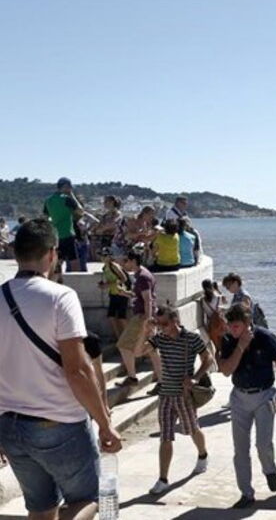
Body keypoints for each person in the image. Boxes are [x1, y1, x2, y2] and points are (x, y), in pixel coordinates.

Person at [0, 219, 122, 520]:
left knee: (41, 510)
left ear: (16, 253)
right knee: (92, 498)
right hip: (59, 424)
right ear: (53, 254)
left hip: (11, 426)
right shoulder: (60, 297)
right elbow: (77, 370)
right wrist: (105, 424)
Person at [218, 303, 276, 509]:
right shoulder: (228, 340)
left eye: (237, 326)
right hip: (240, 396)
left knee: (263, 443)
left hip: (264, 394)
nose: (233, 330)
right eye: (230, 326)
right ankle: (246, 493)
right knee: (240, 449)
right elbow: (225, 370)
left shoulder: (266, 337)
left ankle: (269, 469)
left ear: (248, 323)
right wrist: (240, 346)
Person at [144, 305, 213, 495]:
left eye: (164, 324)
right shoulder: (159, 338)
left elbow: (208, 358)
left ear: (175, 320)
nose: (161, 328)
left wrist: (196, 377)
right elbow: (137, 352)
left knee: (192, 429)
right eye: (158, 324)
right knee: (166, 437)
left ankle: (203, 454)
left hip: (183, 395)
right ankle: (163, 479)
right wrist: (146, 331)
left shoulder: (191, 338)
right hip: (165, 394)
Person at [116, 249, 162, 392]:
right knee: (152, 350)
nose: (125, 263)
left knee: (123, 345)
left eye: (126, 261)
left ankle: (132, 378)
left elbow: (148, 300)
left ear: (133, 261)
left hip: (142, 317)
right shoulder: (142, 274)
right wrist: (125, 293)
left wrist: (147, 322)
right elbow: (141, 297)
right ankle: (162, 381)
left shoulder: (142, 277)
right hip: (145, 315)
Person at [42, 177, 85, 272]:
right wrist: (72, 195)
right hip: (67, 234)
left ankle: (56, 281)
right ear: (66, 187)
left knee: (57, 261)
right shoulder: (67, 199)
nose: (71, 189)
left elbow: (45, 216)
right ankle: (75, 284)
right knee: (74, 262)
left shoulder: (48, 200)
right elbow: (81, 211)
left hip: (55, 235)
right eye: (70, 187)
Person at [99, 246, 130, 341]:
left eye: (105, 256)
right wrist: (103, 285)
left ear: (110, 257)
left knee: (121, 317)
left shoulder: (114, 266)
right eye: (101, 255)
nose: (102, 258)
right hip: (113, 293)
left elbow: (124, 278)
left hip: (121, 292)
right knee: (111, 316)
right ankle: (119, 338)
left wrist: (109, 284)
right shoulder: (104, 268)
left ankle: (128, 339)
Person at [200, 279, 226, 354]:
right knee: (223, 345)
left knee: (216, 348)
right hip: (221, 323)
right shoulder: (218, 297)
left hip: (211, 325)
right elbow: (225, 303)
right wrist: (218, 290)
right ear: (212, 286)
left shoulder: (202, 300)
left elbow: (204, 314)